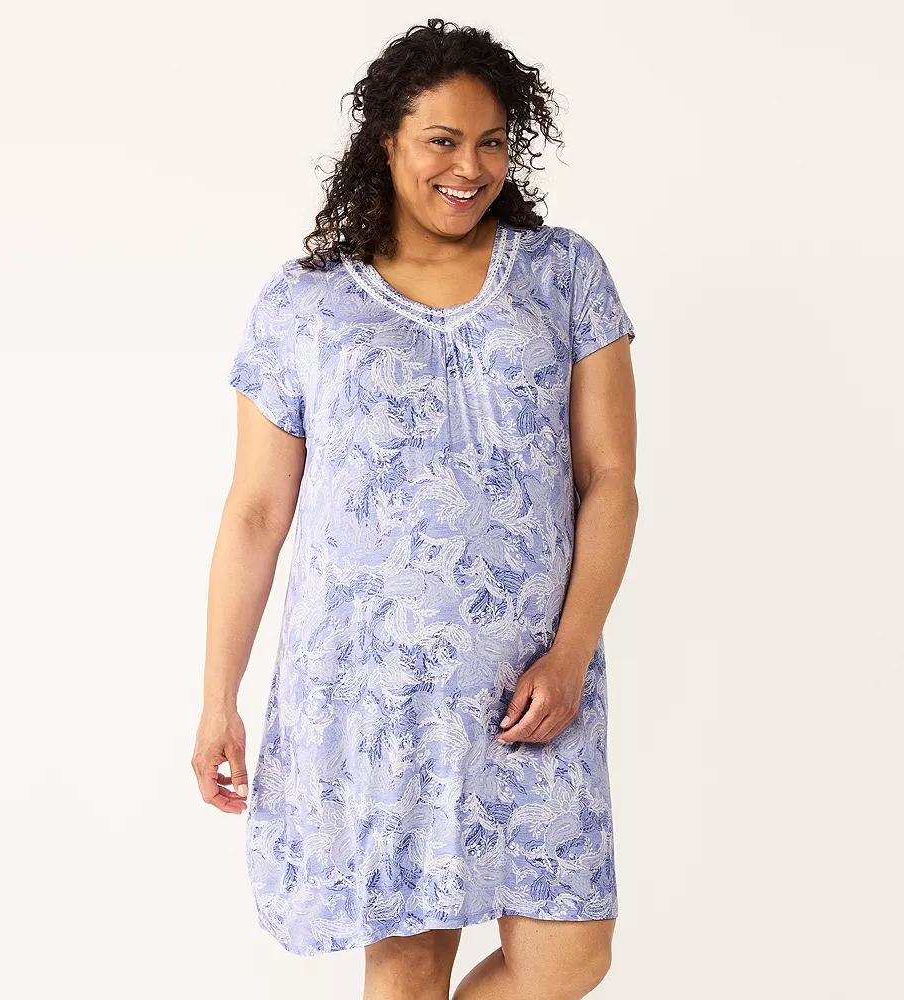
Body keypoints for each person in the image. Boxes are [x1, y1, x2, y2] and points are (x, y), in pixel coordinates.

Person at [193, 16, 639, 997]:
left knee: (570, 953)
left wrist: (570, 653)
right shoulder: (303, 302)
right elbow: (257, 511)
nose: (469, 167)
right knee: (405, 963)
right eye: (442, 140)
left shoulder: (564, 273)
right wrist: (220, 696)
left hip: (532, 683)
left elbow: (610, 478)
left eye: (491, 141)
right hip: (371, 683)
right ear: (387, 141)